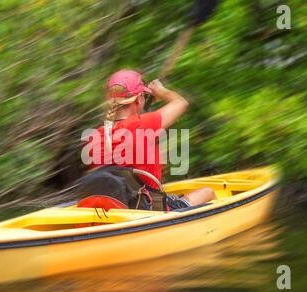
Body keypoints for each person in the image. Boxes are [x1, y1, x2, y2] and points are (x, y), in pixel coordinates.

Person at [85, 69, 215, 210]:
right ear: (139, 99)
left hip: (117, 212)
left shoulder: (94, 137)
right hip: (151, 211)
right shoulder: (145, 124)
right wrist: (161, 91)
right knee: (208, 192)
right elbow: (180, 103)